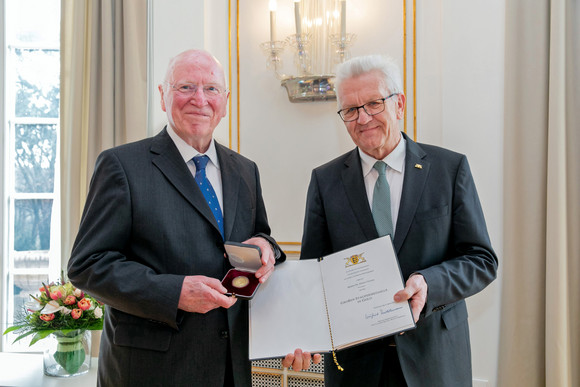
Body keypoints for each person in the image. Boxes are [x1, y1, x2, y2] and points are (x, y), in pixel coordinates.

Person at [67, 49, 289, 386]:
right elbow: (87, 265)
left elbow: (260, 238)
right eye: (186, 87)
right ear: (163, 96)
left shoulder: (245, 171)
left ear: (225, 101)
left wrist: (265, 244)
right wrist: (175, 292)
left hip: (231, 369)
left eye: (211, 89)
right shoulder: (122, 166)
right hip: (150, 372)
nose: (200, 99)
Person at [294, 54, 498, 386]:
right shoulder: (325, 181)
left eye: (374, 103)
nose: (363, 118)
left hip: (434, 361)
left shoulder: (449, 170)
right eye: (350, 110)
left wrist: (429, 283)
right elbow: (313, 274)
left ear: (399, 104)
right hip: (356, 366)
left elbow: (482, 261)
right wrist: (300, 332)